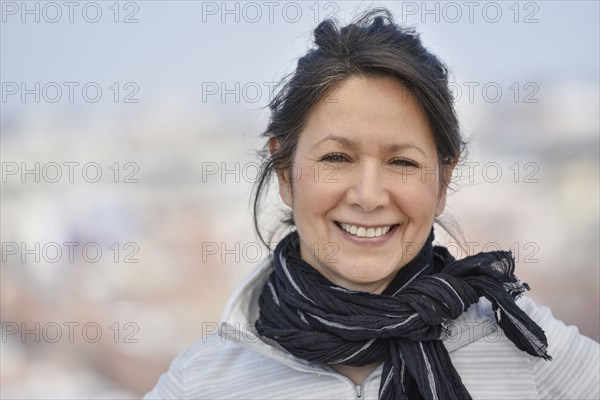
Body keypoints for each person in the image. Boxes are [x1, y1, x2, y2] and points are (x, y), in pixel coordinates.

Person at [144, 8, 599, 400]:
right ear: (285, 173)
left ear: (443, 182)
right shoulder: (202, 382)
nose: (367, 195)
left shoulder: (523, 345)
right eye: (336, 158)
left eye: (401, 161)